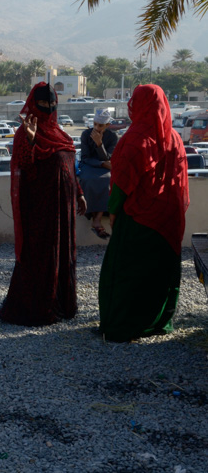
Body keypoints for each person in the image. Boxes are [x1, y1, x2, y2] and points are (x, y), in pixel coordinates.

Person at [98, 84, 189, 342]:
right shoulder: (174, 138)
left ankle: (123, 325)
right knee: (160, 271)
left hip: (137, 219)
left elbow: (121, 183)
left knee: (128, 272)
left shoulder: (135, 138)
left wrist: (113, 213)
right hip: (168, 219)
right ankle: (158, 321)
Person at [0, 82, 87, 326]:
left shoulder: (61, 135)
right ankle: (38, 307)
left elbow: (69, 168)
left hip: (63, 208)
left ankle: (62, 304)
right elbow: (24, 168)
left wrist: (78, 193)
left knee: (62, 252)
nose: (48, 108)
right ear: (33, 104)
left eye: (52, 103)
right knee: (41, 255)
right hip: (39, 210)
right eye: (43, 104)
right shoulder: (24, 133)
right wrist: (32, 141)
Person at [78, 108, 118, 239]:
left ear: (107, 125)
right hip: (90, 165)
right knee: (88, 179)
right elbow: (85, 157)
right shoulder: (86, 134)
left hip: (105, 167)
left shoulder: (112, 137)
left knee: (106, 180)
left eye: (100, 125)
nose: (96, 127)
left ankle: (97, 219)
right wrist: (101, 164)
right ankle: (95, 220)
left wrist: (99, 144)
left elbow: (108, 157)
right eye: (95, 124)